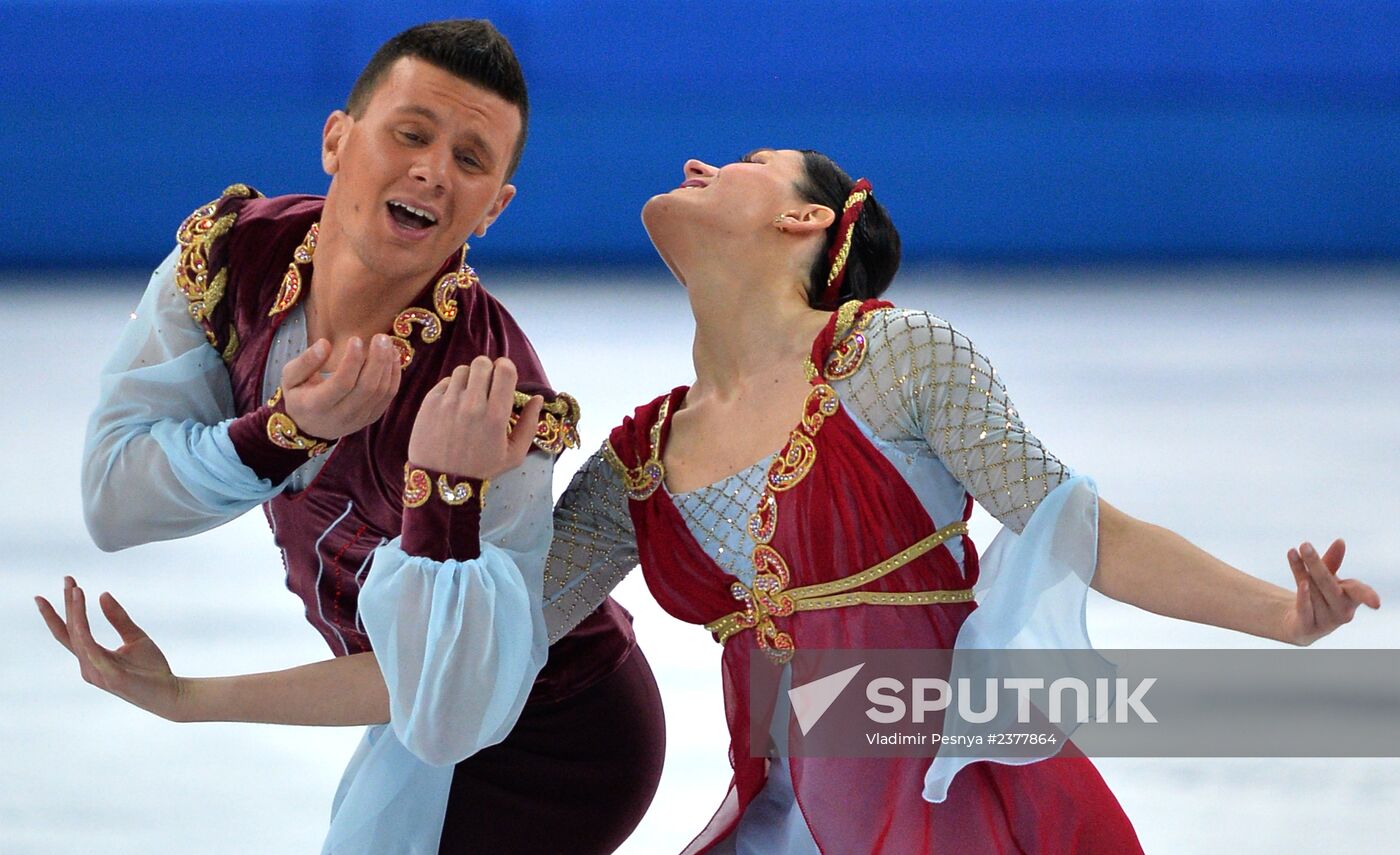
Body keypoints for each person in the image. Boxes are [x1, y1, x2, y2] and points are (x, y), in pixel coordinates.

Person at [45, 148, 1381, 853]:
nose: (698, 162)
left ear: (809, 223)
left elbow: (1073, 517)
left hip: (952, 807)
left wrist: (1283, 614)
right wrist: (191, 696)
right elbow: (451, 665)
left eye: (741, 162)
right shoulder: (636, 461)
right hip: (782, 817)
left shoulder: (895, 358)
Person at [39, 19, 664, 855]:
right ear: (337, 139)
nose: (433, 170)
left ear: (493, 208)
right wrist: (282, 434)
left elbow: (448, 706)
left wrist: (444, 493)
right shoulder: (233, 258)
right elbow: (116, 500)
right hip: (408, 710)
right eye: (411, 133)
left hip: (552, 734)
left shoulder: (494, 396)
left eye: (471, 161)